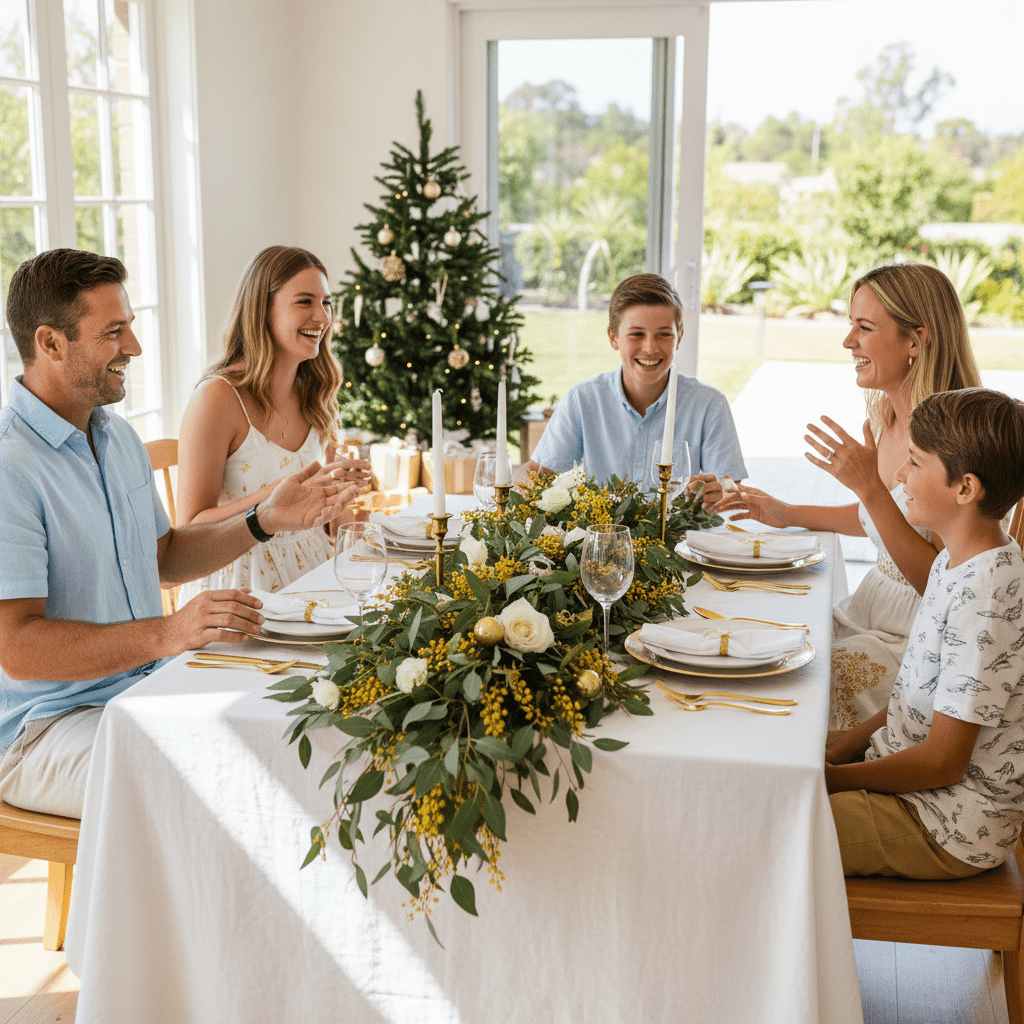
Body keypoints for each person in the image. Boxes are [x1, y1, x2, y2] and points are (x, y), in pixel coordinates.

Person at [0, 248, 363, 819]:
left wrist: (265, 519)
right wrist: (169, 633)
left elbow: (165, 557)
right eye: (114, 332)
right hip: (45, 728)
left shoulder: (116, 440)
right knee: (226, 781)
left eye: (132, 328)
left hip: (143, 690)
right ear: (50, 343)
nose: (135, 349)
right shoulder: (9, 466)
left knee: (301, 727)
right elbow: (16, 649)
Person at [718, 263, 982, 729]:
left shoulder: (957, 439)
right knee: (751, 636)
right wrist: (784, 512)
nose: (848, 342)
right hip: (871, 608)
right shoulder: (889, 415)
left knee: (781, 690)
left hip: (917, 637)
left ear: (915, 341)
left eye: (864, 327)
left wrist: (869, 487)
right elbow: (879, 519)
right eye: (850, 325)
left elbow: (946, 590)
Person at [826, 387, 1024, 879]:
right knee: (766, 757)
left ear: (965, 489)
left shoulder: (986, 599)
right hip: (913, 784)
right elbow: (909, 700)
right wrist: (839, 748)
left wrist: (834, 780)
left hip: (946, 824)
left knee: (769, 820)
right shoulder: (952, 563)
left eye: (914, 464)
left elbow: (942, 764)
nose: (898, 476)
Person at [176, 246, 371, 603]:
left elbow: (332, 510)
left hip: (315, 573)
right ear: (262, 310)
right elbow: (189, 530)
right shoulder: (217, 399)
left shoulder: (317, 391)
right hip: (240, 584)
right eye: (304, 302)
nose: (322, 316)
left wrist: (350, 522)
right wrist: (276, 499)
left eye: (326, 303)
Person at [522, 273, 746, 496]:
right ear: (613, 338)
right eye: (637, 334)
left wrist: (720, 491)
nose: (650, 348)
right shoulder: (583, 399)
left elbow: (730, 490)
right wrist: (523, 487)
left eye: (664, 334)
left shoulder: (709, 405)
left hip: (684, 532)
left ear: (679, 338)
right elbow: (536, 474)